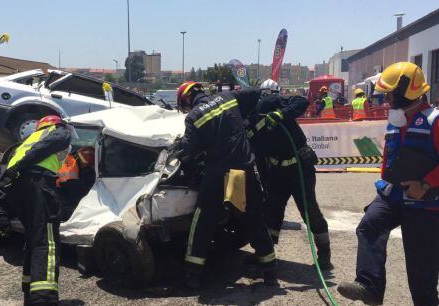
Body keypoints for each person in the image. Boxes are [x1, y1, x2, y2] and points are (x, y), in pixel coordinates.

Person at [337, 62, 439, 305]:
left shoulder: (434, 121)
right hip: (393, 196)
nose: (386, 99)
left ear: (407, 92)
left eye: (390, 94)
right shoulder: (396, 121)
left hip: (425, 204)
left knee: (421, 277)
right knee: (369, 225)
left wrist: (425, 184)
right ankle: (369, 287)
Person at [172, 81, 276, 289]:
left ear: (187, 99)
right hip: (244, 170)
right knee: (254, 218)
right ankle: (270, 272)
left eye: (184, 105)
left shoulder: (193, 117)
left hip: (219, 174)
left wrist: (178, 149)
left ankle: (193, 274)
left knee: (203, 220)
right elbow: (256, 92)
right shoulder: (229, 99)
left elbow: (190, 152)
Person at [247, 83, 333, 270]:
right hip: (277, 171)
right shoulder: (248, 125)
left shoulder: (270, 103)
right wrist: (265, 181)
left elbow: (302, 101)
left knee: (309, 209)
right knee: (271, 211)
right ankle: (265, 254)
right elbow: (260, 156)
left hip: (299, 167)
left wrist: (281, 114)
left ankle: (324, 253)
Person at [0, 115, 71, 305]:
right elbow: (56, 142)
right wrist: (23, 167)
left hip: (19, 190)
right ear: (56, 124)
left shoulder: (25, 143)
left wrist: (1, 214)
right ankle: (44, 299)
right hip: (39, 184)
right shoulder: (58, 131)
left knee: (33, 241)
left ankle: (31, 294)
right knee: (47, 243)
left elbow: (2, 182)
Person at [57, 146, 96, 221]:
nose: (85, 167)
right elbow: (76, 191)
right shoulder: (71, 170)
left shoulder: (68, 157)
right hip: (59, 196)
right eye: (85, 165)